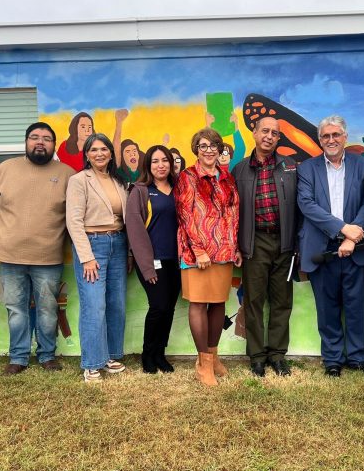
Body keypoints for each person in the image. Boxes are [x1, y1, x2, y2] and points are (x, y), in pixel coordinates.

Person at [0, 122, 74, 375]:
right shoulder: (4, 170)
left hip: (49, 256)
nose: (40, 142)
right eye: (34, 137)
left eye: (46, 138)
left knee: (47, 309)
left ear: (54, 145)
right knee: (16, 309)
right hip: (12, 256)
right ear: (25, 142)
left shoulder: (67, 174)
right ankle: (18, 357)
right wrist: (14, 226)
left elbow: (73, 214)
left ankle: (47, 355)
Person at [297, 116, 364, 378]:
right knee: (327, 308)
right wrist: (342, 229)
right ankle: (332, 359)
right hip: (322, 249)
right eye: (326, 136)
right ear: (320, 140)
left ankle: (359, 357)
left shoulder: (363, 165)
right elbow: (307, 205)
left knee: (357, 305)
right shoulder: (307, 169)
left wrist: (352, 238)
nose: (331, 140)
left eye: (336, 135)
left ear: (345, 137)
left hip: (356, 247)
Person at [174, 127, 241, 386]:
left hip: (223, 250)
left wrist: (234, 246)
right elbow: (185, 215)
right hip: (196, 253)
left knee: (218, 303)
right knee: (199, 304)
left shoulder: (227, 178)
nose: (210, 150)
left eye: (214, 145)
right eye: (203, 145)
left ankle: (213, 357)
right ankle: (202, 364)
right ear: (196, 150)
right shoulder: (187, 177)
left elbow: (234, 213)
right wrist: (199, 250)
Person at [233, 117, 297, 377]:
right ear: (254, 133)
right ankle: (257, 356)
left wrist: (297, 242)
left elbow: (301, 207)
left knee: (282, 301)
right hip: (254, 242)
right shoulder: (239, 170)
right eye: (265, 131)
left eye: (275, 133)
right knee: (254, 301)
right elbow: (232, 212)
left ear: (279, 138)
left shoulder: (291, 167)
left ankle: (277, 355)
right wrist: (237, 245)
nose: (269, 136)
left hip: (284, 242)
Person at [66, 133, 129, 382]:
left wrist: (131, 251)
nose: (99, 154)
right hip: (93, 245)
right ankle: (92, 362)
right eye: (94, 150)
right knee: (94, 305)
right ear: (87, 155)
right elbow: (73, 221)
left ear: (111, 154)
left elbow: (129, 219)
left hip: (119, 243)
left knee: (116, 303)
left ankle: (111, 355)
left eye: (104, 149)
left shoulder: (119, 181)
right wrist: (87, 257)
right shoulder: (79, 180)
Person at [127, 145, 180, 374]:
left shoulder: (179, 189)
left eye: (165, 160)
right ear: (148, 165)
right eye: (155, 161)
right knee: (157, 307)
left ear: (171, 163)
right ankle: (147, 354)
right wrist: (147, 267)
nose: (161, 165)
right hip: (152, 261)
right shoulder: (140, 191)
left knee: (168, 308)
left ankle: (160, 354)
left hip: (176, 261)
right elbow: (136, 231)